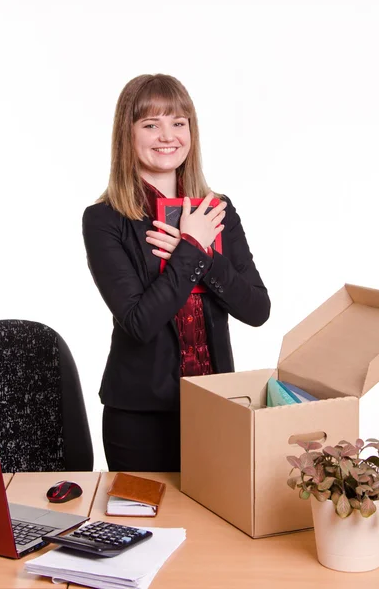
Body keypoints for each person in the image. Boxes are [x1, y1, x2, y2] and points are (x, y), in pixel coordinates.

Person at [82, 73, 270, 472]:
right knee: (144, 531)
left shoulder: (217, 210)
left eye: (178, 123)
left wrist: (202, 251)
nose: (167, 136)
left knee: (218, 528)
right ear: (127, 135)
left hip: (216, 408)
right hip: (139, 418)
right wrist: (190, 250)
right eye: (151, 124)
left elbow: (257, 309)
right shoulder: (104, 220)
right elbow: (138, 322)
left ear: (191, 131)